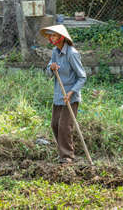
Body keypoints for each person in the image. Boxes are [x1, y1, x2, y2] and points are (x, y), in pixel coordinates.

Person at [40, 25, 86, 164]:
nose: (50, 38)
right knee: (55, 124)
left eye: (53, 35)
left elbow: (82, 77)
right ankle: (62, 152)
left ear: (61, 37)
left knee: (64, 126)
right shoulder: (55, 51)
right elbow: (48, 72)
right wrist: (51, 68)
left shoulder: (72, 53)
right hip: (59, 95)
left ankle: (67, 156)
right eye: (50, 36)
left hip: (70, 97)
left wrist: (71, 92)